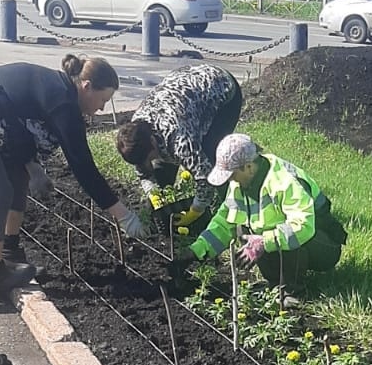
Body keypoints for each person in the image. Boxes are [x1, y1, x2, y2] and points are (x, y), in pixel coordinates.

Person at [0, 54, 144, 298]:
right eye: (103, 99)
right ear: (86, 86)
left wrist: (33, 168)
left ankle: (9, 254)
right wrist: (123, 216)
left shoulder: (60, 89)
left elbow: (16, 126)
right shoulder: (63, 102)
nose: (101, 108)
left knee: (17, 177)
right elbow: (84, 168)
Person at [188, 133, 347, 288]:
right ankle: (275, 282)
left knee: (277, 233)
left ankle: (290, 287)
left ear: (249, 167)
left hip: (323, 245)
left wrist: (264, 242)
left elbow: (303, 226)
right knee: (242, 229)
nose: (230, 179)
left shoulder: (284, 181)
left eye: (232, 174)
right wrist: (195, 251)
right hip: (291, 239)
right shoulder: (240, 185)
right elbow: (224, 223)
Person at [114, 65, 243, 235]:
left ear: (152, 140)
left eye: (148, 157)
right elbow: (143, 170)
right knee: (163, 166)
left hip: (220, 88)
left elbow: (204, 176)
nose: (147, 163)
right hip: (184, 91)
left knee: (212, 155)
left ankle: (227, 210)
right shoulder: (137, 129)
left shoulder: (179, 139)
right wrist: (153, 192)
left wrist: (195, 210)